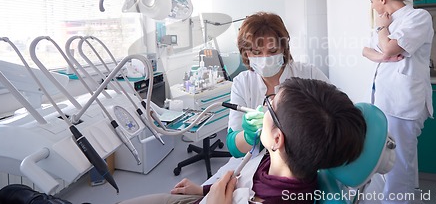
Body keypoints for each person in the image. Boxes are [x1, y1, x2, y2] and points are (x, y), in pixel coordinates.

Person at [118, 78, 367, 204]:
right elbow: (241, 184)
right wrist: (202, 190)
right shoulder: (280, 163)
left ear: (277, 138)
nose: (262, 108)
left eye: (270, 105)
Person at [362, 0, 434, 203]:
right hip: (384, 101)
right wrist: (385, 51)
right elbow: (367, 50)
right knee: (386, 160)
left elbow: (389, 47)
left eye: (372, 1)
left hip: (404, 103)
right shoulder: (386, 21)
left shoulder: (418, 17)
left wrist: (383, 33)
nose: (372, 6)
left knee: (400, 165)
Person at [226, 12, 329, 158]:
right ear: (246, 53)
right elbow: (234, 148)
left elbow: (338, 113)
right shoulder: (242, 83)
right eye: (256, 52)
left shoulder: (308, 73)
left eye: (273, 51)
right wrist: (249, 135)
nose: (265, 58)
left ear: (283, 48)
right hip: (257, 163)